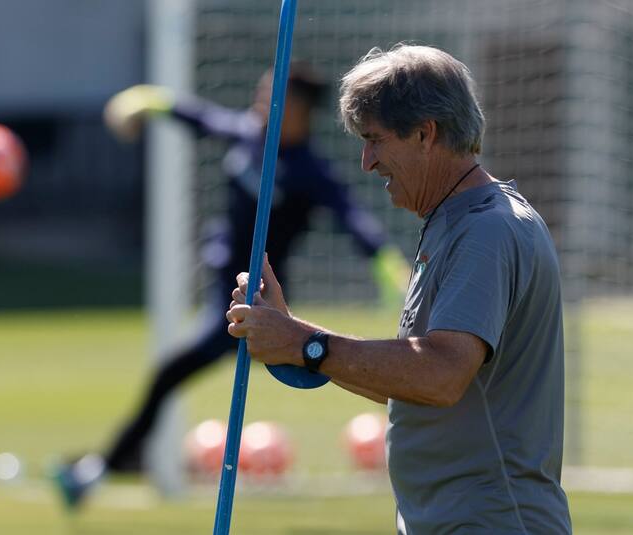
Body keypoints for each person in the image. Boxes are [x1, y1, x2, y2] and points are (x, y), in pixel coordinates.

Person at [227, 45, 572, 534]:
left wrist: (305, 344)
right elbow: (413, 383)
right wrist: (293, 340)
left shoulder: (487, 230)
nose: (367, 161)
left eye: (375, 140)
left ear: (425, 133)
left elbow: (440, 375)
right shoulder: (452, 223)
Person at [52, 62, 410, 508]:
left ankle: (102, 469)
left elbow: (351, 217)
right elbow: (198, 118)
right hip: (226, 299)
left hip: (254, 308)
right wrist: (146, 102)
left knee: (185, 373)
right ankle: (109, 466)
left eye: (270, 97)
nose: (261, 104)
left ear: (297, 110)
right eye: (261, 93)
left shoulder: (307, 170)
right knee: (187, 374)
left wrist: (387, 265)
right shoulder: (247, 134)